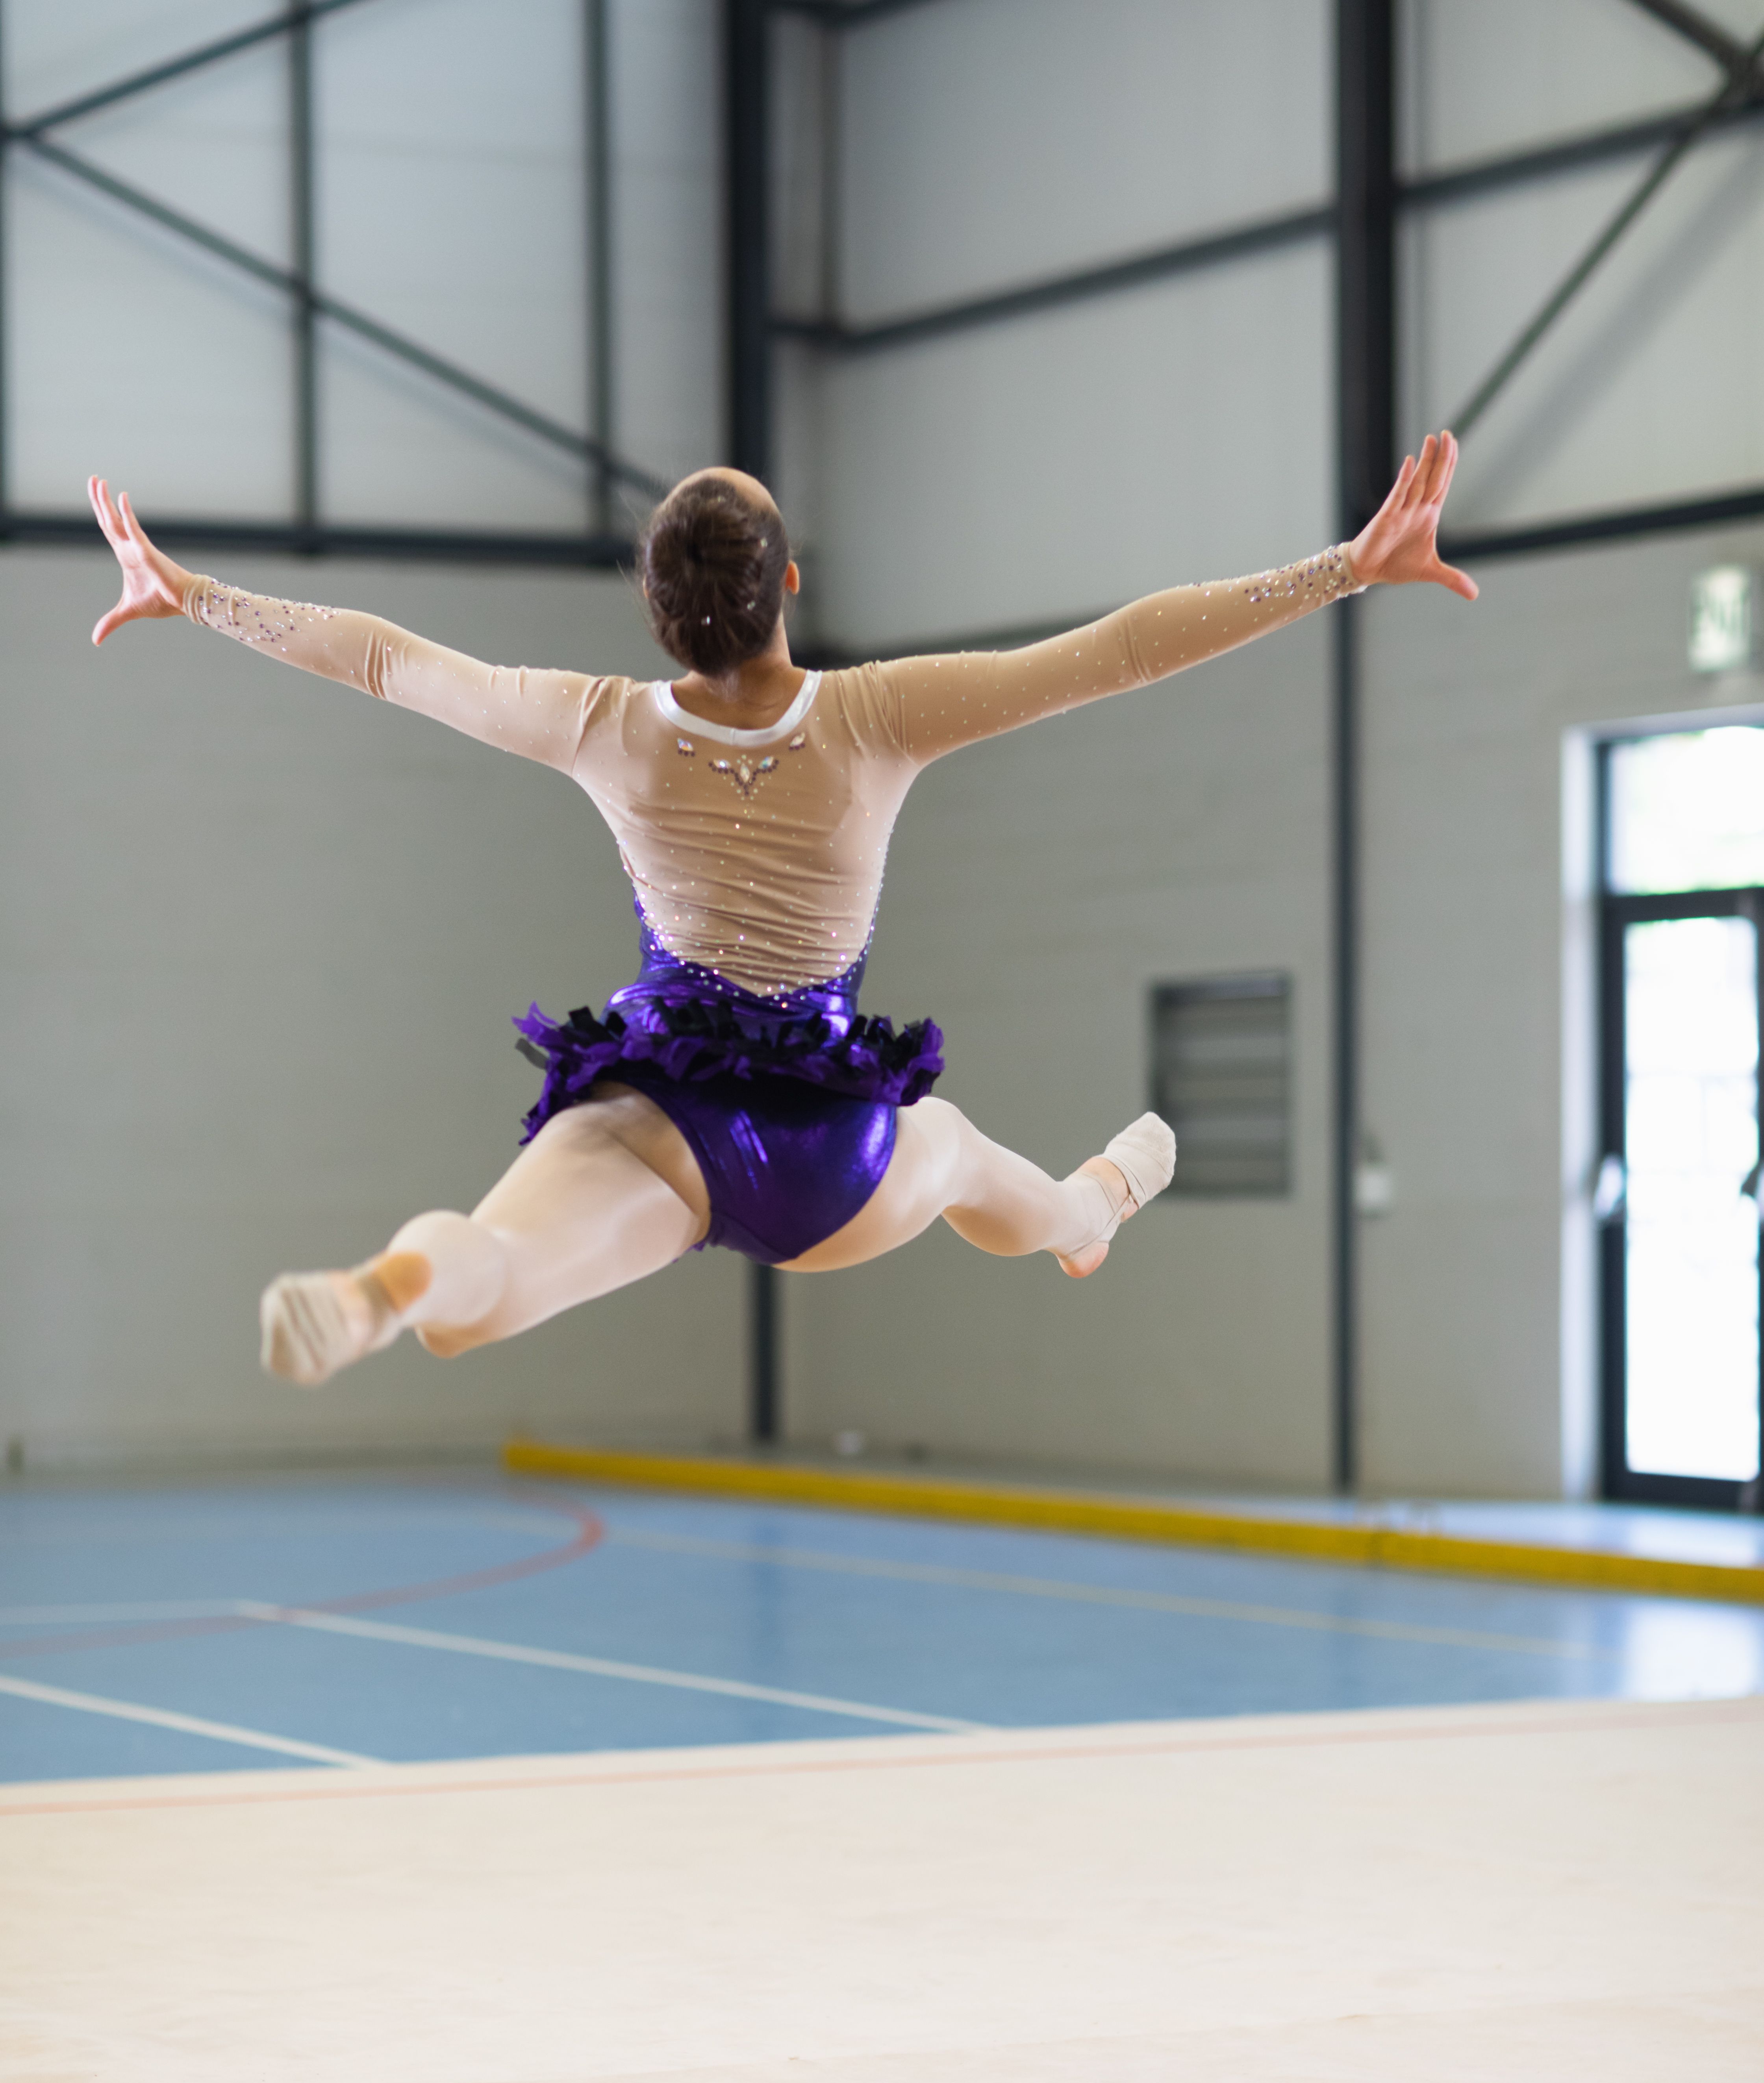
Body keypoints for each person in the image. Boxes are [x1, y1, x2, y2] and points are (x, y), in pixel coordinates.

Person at [85, 441, 1475, 1387]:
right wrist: (1343, 567)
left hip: (650, 1107)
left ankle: (385, 1292)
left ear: (653, 613)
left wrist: (192, 591)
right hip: (832, 1153)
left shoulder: (600, 726)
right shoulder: (877, 718)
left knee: (492, 1278)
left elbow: (389, 659)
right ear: (789, 587)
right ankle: (1090, 1210)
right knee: (968, 1159)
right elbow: (1114, 652)